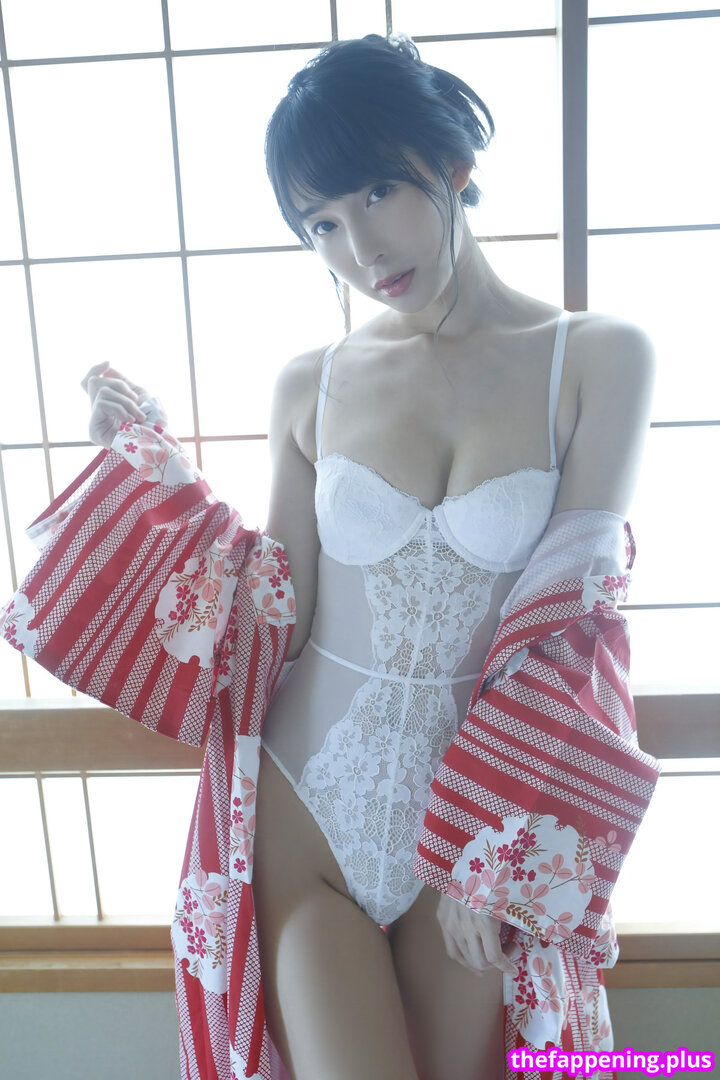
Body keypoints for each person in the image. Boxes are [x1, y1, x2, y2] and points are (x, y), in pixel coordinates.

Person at [79, 33, 656, 1080]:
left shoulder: (598, 358)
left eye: (379, 191)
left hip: (467, 827)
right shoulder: (312, 383)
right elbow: (275, 611)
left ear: (454, 166)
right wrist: (146, 470)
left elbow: (576, 626)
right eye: (323, 224)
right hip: (305, 813)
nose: (359, 247)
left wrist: (499, 848)